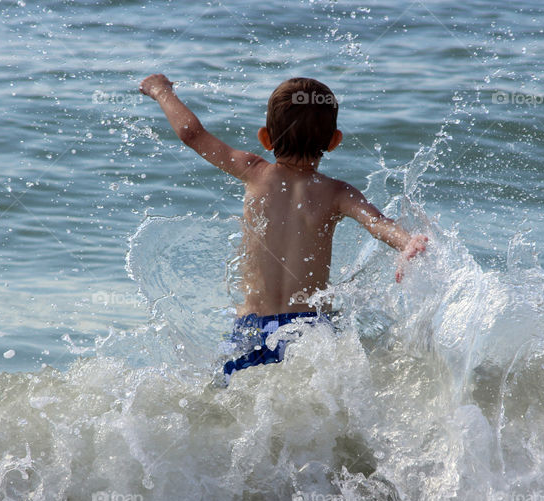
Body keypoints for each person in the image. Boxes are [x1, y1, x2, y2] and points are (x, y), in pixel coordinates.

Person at [139, 75, 427, 381]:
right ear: (334, 141)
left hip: (252, 330)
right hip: (309, 334)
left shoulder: (252, 171)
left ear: (265, 138)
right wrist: (408, 242)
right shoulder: (338, 193)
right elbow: (378, 223)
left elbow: (191, 134)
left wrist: (161, 91)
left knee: (233, 401)